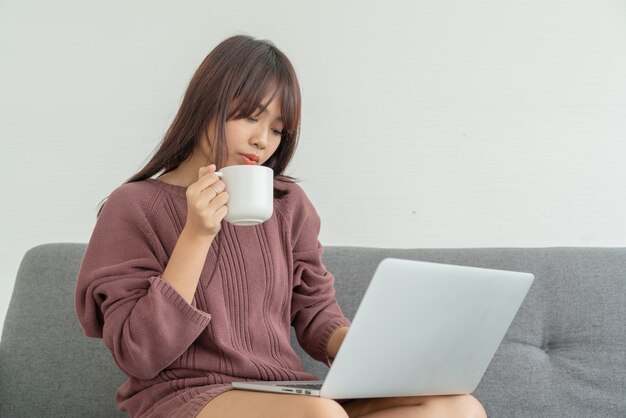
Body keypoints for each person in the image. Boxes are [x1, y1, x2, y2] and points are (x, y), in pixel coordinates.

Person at [75, 34, 487, 418]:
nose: (262, 141)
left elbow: (314, 311)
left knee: (455, 406)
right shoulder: (133, 206)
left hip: (282, 391)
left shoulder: (288, 205)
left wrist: (374, 355)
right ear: (207, 105)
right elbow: (140, 352)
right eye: (250, 118)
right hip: (184, 395)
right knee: (321, 414)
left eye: (277, 128)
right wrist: (196, 234)